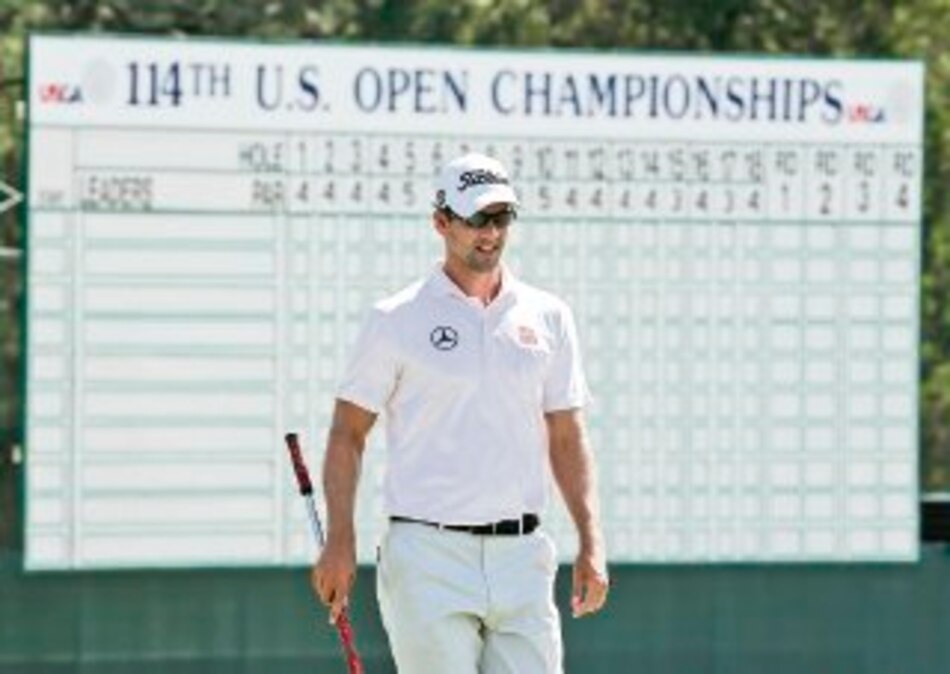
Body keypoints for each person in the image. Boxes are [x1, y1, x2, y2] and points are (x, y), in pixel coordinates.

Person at [311, 151, 609, 674]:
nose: (490, 233)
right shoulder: (395, 319)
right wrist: (340, 539)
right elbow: (347, 433)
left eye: (500, 219)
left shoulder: (549, 316)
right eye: (476, 219)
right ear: (441, 222)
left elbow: (566, 435)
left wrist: (591, 541)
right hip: (427, 555)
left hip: (523, 555)